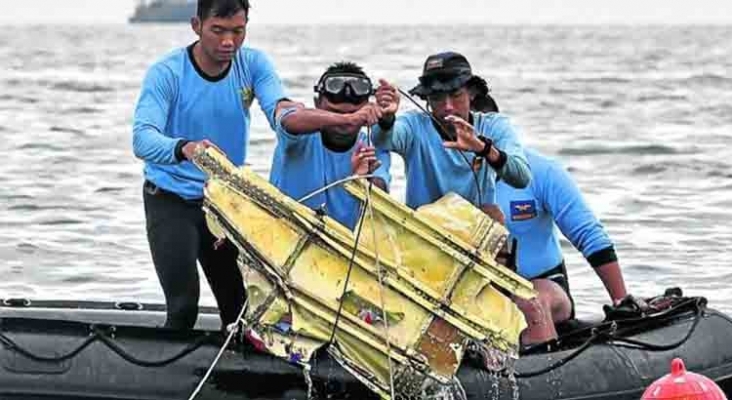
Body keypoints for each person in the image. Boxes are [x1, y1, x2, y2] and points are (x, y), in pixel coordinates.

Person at [132, 0, 293, 330]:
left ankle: (231, 378)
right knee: (183, 307)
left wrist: (310, 120)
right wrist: (185, 148)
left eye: (238, 31)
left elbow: (280, 110)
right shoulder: (167, 73)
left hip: (222, 203)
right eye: (218, 31)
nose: (228, 42)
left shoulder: (252, 64)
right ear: (196, 25)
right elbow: (142, 139)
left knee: (241, 314)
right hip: (170, 199)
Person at [469, 84, 629, 347]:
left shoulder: (541, 171)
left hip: (544, 287)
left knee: (530, 303)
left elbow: (589, 235)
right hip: (476, 292)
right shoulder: (448, 178)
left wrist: (621, 301)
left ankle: (547, 375)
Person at [371, 51, 531, 214]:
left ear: (472, 93)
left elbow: (522, 178)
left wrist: (484, 149)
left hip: (476, 232)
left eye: (456, 95)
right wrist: (386, 119)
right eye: (437, 97)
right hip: (425, 231)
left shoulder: (494, 125)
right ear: (427, 99)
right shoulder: (414, 126)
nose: (448, 106)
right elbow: (383, 140)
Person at [270, 62, 392, 229]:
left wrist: (362, 181)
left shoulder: (372, 146)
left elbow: (382, 192)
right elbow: (289, 120)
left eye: (353, 112)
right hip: (282, 232)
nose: (345, 121)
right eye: (335, 113)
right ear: (317, 103)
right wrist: (350, 119)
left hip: (338, 246)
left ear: (367, 107)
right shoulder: (298, 134)